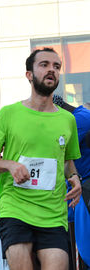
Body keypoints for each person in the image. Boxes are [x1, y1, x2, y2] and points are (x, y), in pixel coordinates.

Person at [0, 47, 82, 270]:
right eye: (44, 65)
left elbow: (66, 161)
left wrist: (74, 177)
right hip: (16, 209)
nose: (51, 70)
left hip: (53, 213)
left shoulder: (67, 120)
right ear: (29, 75)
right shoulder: (9, 113)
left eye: (56, 66)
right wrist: (10, 165)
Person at [53, 94, 90, 269]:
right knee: (76, 244)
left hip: (85, 187)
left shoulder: (80, 119)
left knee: (85, 247)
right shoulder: (76, 117)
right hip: (76, 188)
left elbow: (56, 150)